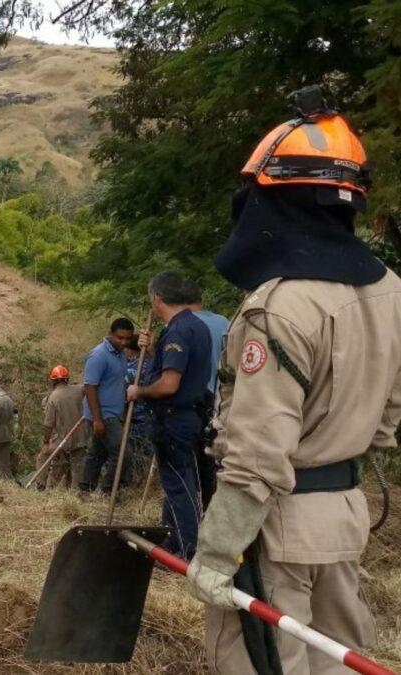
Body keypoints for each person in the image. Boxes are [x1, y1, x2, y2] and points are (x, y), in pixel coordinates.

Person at [186, 90, 401, 674]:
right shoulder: (391, 292)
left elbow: (257, 452)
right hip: (345, 515)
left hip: (275, 525)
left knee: (265, 664)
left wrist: (216, 550)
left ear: (275, 201)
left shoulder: (278, 308)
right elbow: (387, 418)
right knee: (337, 664)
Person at [127, 271, 212, 559]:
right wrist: (152, 350)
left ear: (157, 298)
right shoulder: (196, 327)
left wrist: (138, 392)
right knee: (176, 483)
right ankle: (172, 541)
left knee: (179, 486)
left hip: (174, 419)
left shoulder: (177, 330)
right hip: (188, 417)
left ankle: (188, 550)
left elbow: (169, 384)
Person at [79, 318, 135, 493]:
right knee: (123, 455)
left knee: (97, 454)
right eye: (120, 338)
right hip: (103, 414)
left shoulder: (121, 354)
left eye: (127, 339)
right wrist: (97, 420)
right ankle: (108, 490)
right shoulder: (98, 355)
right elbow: (89, 387)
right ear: (110, 334)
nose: (123, 342)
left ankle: (84, 490)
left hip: (114, 413)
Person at [188, 280, 230, 507]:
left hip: (194, 400)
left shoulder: (182, 324)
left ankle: (190, 514)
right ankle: (209, 507)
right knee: (212, 461)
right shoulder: (224, 322)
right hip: (221, 401)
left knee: (189, 462)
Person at [40, 365, 89, 489]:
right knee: (78, 471)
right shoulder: (79, 390)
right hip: (81, 438)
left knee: (45, 460)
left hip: (62, 442)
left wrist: (46, 442)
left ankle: (43, 487)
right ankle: (77, 494)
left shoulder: (53, 397)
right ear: (67, 379)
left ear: (53, 380)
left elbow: (48, 425)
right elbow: (89, 386)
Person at [123, 341, 156, 485]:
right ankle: (150, 480)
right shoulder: (155, 365)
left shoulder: (129, 370)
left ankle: (134, 482)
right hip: (152, 417)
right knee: (149, 452)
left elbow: (122, 394)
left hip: (134, 418)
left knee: (132, 452)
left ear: (131, 350)